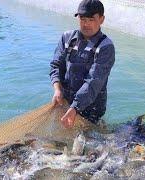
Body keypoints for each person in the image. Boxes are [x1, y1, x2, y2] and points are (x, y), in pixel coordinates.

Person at [50, 0, 115, 128]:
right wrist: (57, 89)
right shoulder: (67, 38)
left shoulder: (106, 46)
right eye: (82, 19)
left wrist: (75, 107)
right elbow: (56, 65)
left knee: (89, 140)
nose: (86, 24)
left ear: (101, 19)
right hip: (66, 102)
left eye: (91, 19)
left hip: (92, 109)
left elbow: (94, 81)